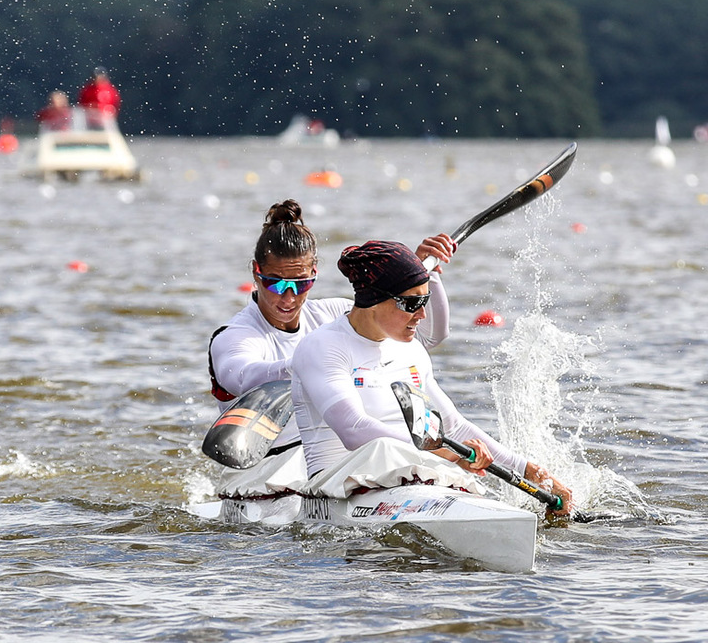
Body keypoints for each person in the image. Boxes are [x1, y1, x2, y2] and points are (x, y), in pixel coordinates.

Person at [289, 239, 573, 515]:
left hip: (413, 476)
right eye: (412, 303)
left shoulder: (410, 350)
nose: (422, 314)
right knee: (385, 448)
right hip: (337, 490)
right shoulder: (323, 347)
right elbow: (354, 429)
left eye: (424, 300)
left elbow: (454, 427)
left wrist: (532, 471)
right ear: (373, 300)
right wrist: (448, 453)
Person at [207, 200, 455, 494]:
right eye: (275, 284)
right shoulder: (235, 336)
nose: (288, 298)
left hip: (337, 460)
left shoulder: (334, 315)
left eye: (300, 283)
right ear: (255, 273)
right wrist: (308, 364)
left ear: (314, 273)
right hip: (262, 471)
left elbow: (427, 338)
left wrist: (419, 277)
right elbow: (243, 377)